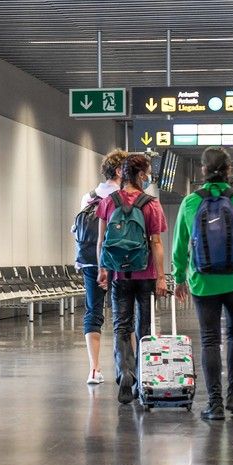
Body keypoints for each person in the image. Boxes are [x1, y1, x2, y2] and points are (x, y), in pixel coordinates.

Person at [172, 147, 233, 420]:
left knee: (210, 339)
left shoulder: (190, 202)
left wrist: (178, 278)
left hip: (203, 281)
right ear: (229, 170)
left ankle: (214, 404)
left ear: (202, 170)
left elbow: (179, 247)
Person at [96, 154, 167, 405]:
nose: (148, 177)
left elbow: (102, 241)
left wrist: (103, 269)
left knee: (121, 326)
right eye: (147, 173)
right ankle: (141, 377)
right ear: (139, 175)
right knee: (144, 329)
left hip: (118, 273)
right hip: (145, 273)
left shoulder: (108, 202)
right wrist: (161, 277)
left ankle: (124, 373)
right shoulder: (151, 204)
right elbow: (156, 243)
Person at [74, 149, 128, 385]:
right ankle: (127, 366)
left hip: (90, 262)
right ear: (119, 171)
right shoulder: (125, 198)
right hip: (120, 261)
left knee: (93, 311)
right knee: (123, 314)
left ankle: (94, 369)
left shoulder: (88, 197)